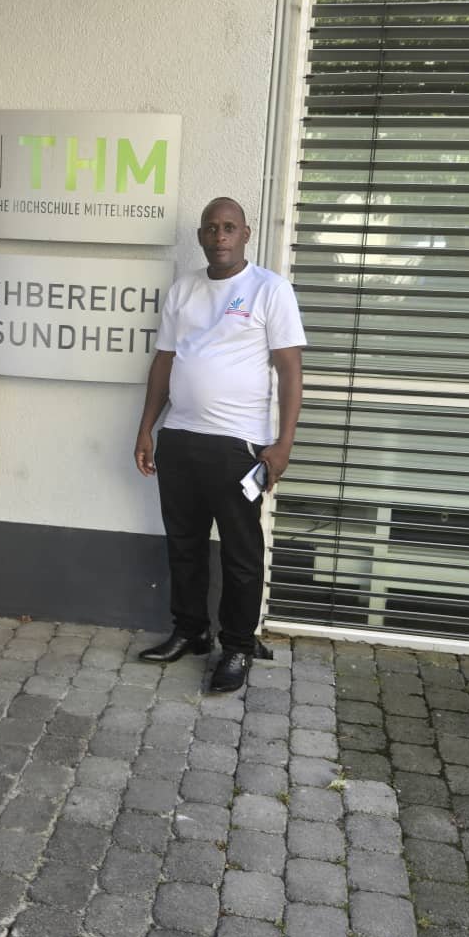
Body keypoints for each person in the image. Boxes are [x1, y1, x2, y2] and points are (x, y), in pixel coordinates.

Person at [134, 197, 305, 693]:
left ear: (246, 234)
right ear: (201, 236)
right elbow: (164, 361)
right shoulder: (184, 289)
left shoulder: (269, 289)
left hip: (238, 446)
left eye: (229, 227)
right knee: (184, 545)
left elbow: (290, 370)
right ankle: (191, 631)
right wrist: (147, 428)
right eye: (211, 228)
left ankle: (237, 646)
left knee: (240, 553)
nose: (220, 236)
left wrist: (283, 444)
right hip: (180, 438)